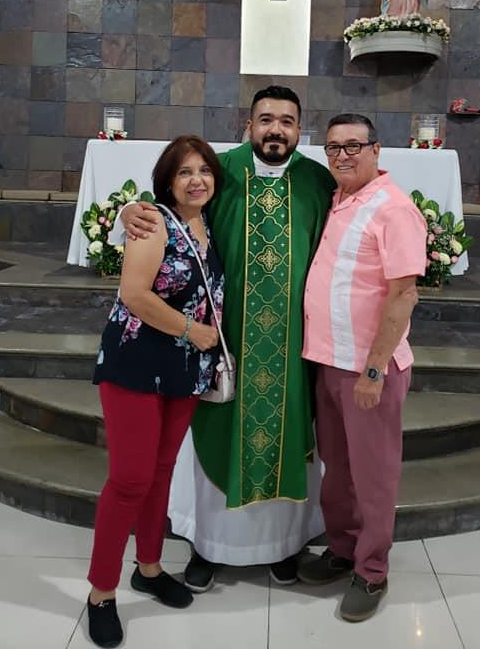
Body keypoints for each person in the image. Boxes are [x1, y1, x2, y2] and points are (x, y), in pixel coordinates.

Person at [118, 87, 335, 592]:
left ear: (299, 128)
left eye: (286, 120)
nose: (275, 129)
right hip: (220, 341)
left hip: (290, 347)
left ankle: (283, 546)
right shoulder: (221, 172)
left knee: (286, 442)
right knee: (214, 439)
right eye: (265, 119)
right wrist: (132, 210)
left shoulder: (317, 182)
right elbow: (171, 212)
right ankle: (208, 547)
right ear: (249, 124)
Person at [85, 135, 223, 648]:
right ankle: (101, 592)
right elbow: (134, 294)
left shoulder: (205, 223)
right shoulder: (153, 221)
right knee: (128, 479)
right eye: (185, 172)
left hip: (185, 368)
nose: (196, 180)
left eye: (204, 171)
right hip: (137, 362)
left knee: (162, 470)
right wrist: (194, 331)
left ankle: (148, 566)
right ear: (167, 180)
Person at [298, 114, 426, 623]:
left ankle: (372, 570)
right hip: (329, 360)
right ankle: (344, 547)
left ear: (377, 149)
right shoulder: (340, 199)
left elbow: (403, 294)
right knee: (338, 468)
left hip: (367, 368)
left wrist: (374, 370)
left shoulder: (394, 209)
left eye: (353, 146)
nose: (343, 155)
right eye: (333, 148)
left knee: (372, 474)